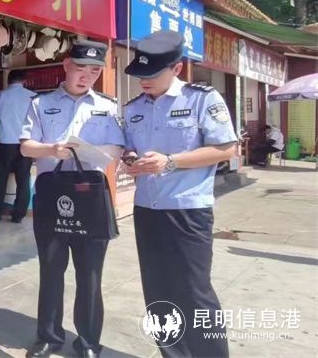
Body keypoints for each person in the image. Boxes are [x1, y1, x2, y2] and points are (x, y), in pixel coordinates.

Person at [122, 30, 237, 358]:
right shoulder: (133, 109)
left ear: (177, 68)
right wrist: (131, 160)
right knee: (157, 291)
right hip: (147, 209)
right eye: (140, 74)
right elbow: (130, 147)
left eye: (152, 73)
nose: (144, 80)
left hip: (187, 211)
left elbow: (226, 149)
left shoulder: (201, 99)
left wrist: (170, 161)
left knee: (194, 291)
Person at [20, 40, 124, 358]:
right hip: (52, 194)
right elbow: (25, 146)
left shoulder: (108, 106)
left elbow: (116, 149)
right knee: (51, 270)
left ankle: (88, 341)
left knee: (90, 274)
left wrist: (87, 152)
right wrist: (52, 149)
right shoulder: (41, 103)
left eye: (94, 71)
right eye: (80, 68)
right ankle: (49, 337)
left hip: (90, 197)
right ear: (66, 65)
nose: (86, 76)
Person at [0, 69, 35, 223]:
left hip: (4, 143)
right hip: (25, 143)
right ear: (24, 81)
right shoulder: (32, 96)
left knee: (0, 178)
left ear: (8, 80)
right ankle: (18, 215)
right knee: (23, 179)